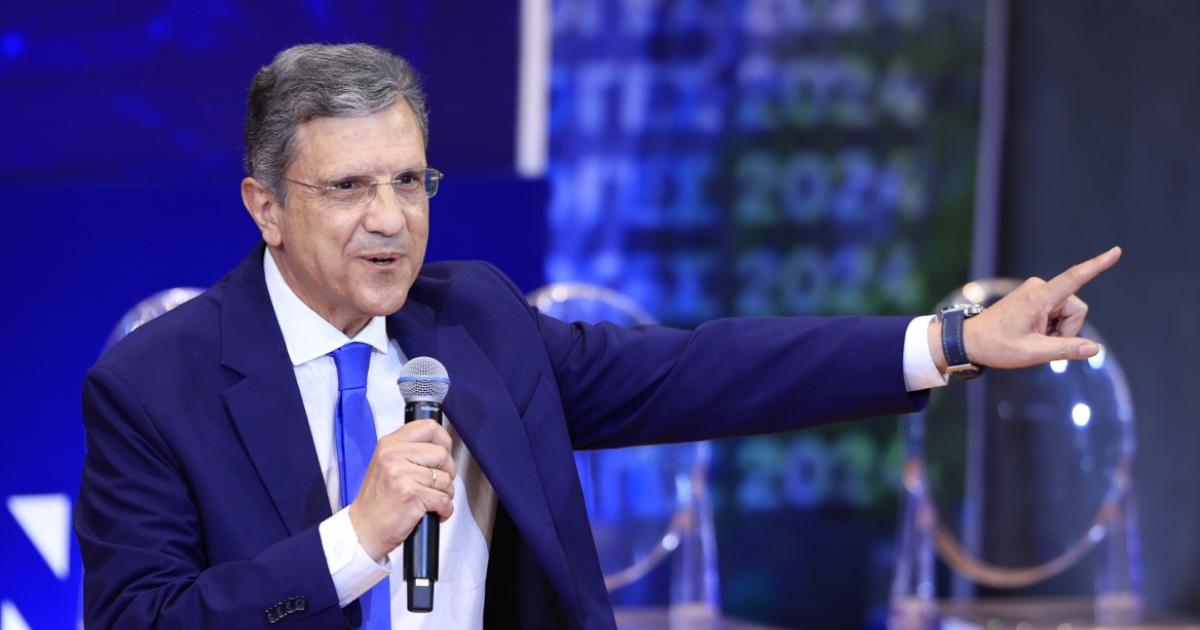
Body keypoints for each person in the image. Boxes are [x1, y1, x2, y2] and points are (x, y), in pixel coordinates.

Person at [74, 43, 1120, 629]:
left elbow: (701, 371)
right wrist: (355, 539)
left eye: (409, 180)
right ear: (264, 206)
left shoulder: (474, 319)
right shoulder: (153, 385)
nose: (390, 219)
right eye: (349, 188)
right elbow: (138, 623)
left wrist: (952, 341)